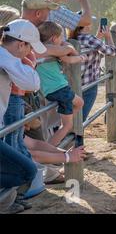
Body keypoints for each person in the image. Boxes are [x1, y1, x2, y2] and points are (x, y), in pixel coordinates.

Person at [0, 19, 44, 214]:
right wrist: (26, 62)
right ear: (20, 44)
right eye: (29, 48)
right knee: (26, 170)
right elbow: (32, 83)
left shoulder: (5, 56)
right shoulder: (5, 57)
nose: (30, 52)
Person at [36, 22, 86, 147]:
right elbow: (69, 58)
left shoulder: (39, 49)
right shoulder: (55, 51)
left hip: (49, 91)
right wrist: (80, 58)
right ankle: (49, 148)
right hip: (60, 89)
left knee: (77, 106)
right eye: (61, 37)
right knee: (68, 124)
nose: (63, 40)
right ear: (54, 38)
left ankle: (63, 117)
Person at [69, 23, 116, 122]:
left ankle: (72, 136)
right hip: (89, 83)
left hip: (72, 83)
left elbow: (91, 49)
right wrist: (108, 36)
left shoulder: (72, 39)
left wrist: (98, 36)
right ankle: (76, 137)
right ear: (86, 25)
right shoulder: (89, 38)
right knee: (80, 118)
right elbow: (112, 52)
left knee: (72, 116)